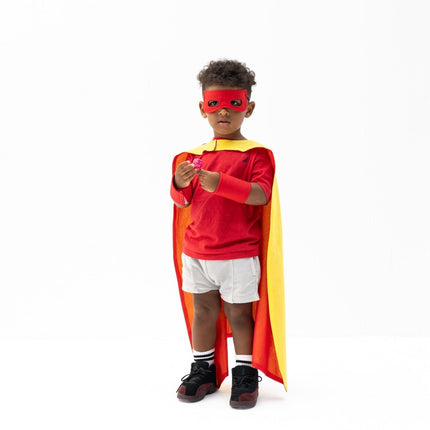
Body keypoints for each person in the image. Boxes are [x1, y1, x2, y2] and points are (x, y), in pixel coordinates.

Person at [170, 59, 287, 409]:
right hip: (197, 251)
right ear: (203, 108)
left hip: (238, 253)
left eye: (234, 103)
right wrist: (179, 183)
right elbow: (182, 202)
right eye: (215, 104)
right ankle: (203, 369)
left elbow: (261, 194)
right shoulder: (192, 157)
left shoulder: (256, 155)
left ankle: (245, 373)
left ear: (248, 108)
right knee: (203, 312)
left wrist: (220, 182)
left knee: (239, 313)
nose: (224, 112)